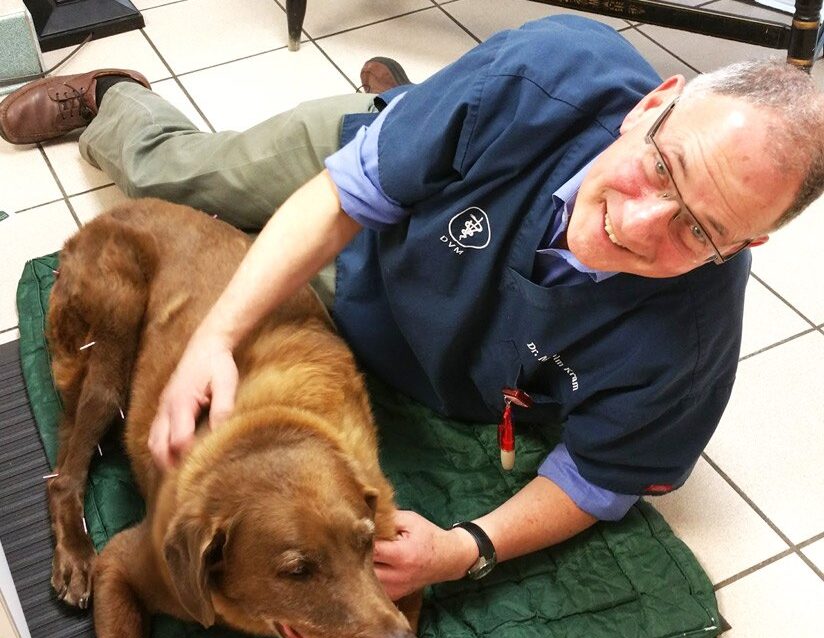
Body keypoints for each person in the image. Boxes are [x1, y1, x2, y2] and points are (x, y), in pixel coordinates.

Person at [3, 16, 824, 602]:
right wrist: (217, 336)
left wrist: (468, 548)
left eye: (700, 228)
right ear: (653, 103)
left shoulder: (696, 331)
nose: (640, 226)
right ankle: (119, 100)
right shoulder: (550, 70)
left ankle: (427, 112)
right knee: (176, 181)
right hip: (364, 207)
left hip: (408, 332)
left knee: (431, 150)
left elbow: (600, 479)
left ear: (743, 248)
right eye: (666, 169)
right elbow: (344, 196)